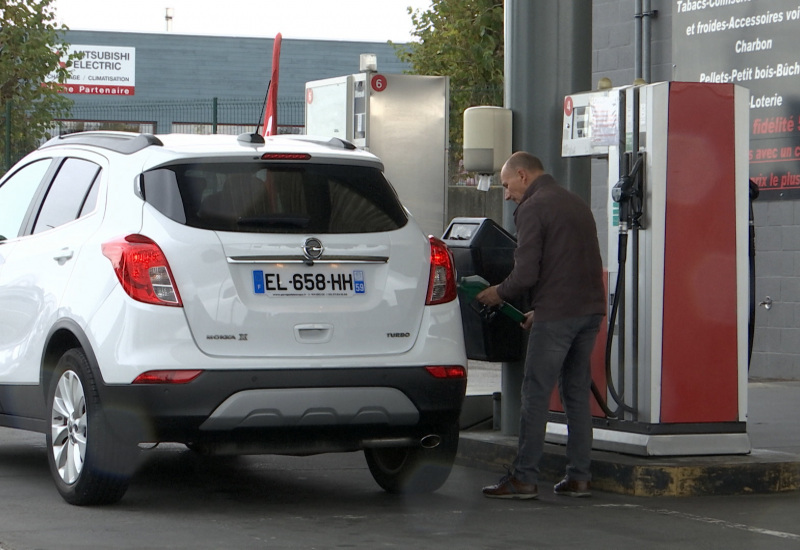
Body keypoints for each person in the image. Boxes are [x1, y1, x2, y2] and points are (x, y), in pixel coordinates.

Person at [478, 151, 606, 500]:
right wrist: (542, 309)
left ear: (523, 175)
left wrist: (497, 293)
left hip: (560, 315)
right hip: (589, 311)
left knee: (535, 394)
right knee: (576, 394)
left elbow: (526, 273)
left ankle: (524, 478)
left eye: (506, 186)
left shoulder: (533, 208)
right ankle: (579, 476)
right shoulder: (575, 202)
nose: (506, 194)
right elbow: (571, 263)